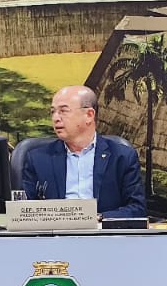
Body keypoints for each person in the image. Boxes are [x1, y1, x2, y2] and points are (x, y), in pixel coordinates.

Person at [18, 85, 147, 219]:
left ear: (89, 115)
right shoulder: (38, 159)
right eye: (53, 112)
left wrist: (97, 218)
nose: (56, 118)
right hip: (55, 230)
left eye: (63, 111)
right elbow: (24, 211)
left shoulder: (122, 156)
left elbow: (137, 209)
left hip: (102, 229)